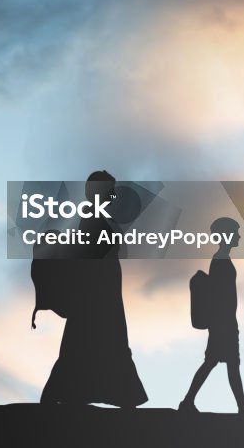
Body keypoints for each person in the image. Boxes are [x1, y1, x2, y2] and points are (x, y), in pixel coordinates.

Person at [41, 170, 147, 408]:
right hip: (96, 299)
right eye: (110, 190)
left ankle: (76, 397)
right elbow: (88, 256)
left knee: (89, 347)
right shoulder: (91, 218)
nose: (113, 195)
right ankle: (122, 399)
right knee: (88, 347)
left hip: (102, 297)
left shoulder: (95, 217)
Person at [179, 217, 244, 413]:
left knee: (222, 363)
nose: (239, 236)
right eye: (236, 232)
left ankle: (189, 402)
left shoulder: (221, 259)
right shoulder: (220, 261)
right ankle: (241, 407)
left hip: (225, 322)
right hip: (224, 323)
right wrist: (226, 322)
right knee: (223, 363)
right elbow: (220, 295)